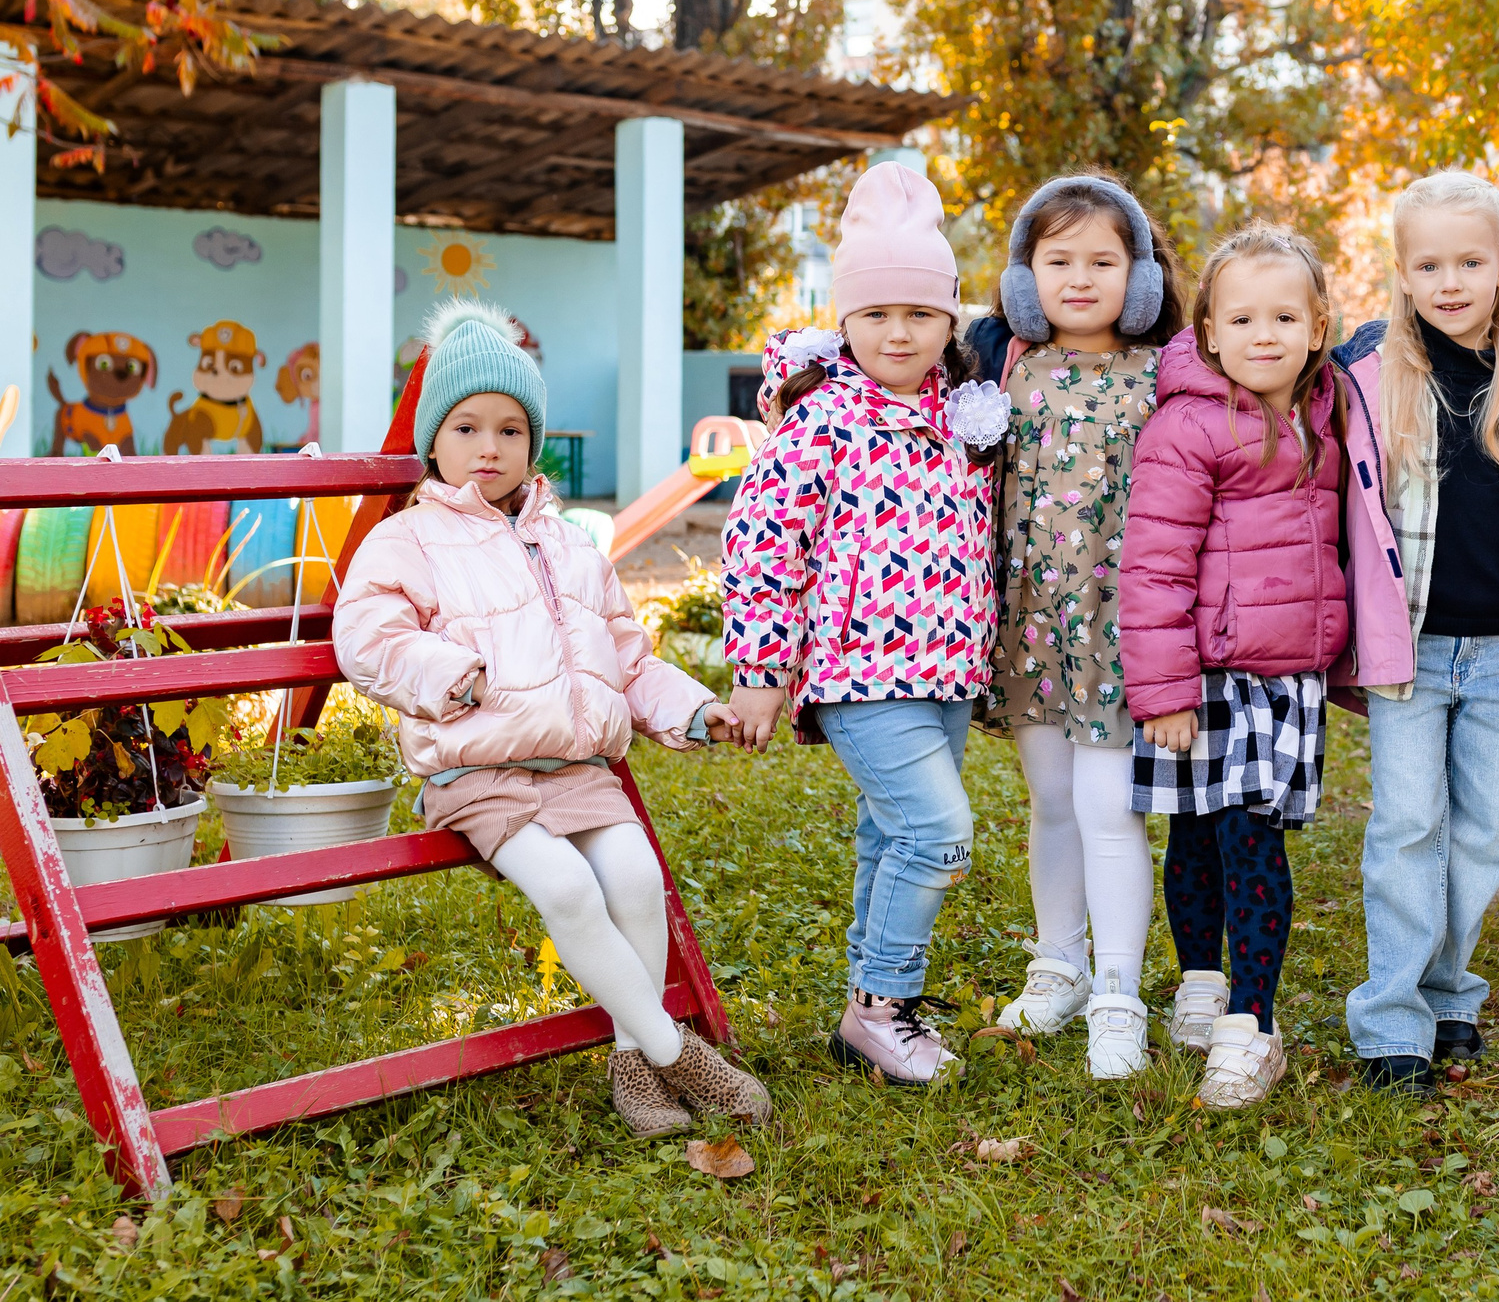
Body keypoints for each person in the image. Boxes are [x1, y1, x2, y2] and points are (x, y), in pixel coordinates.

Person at [335, 299, 770, 1139]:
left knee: (639, 881)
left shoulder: (570, 542)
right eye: (465, 428)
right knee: (569, 887)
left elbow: (628, 658)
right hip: (477, 769)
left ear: (533, 441)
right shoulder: (407, 540)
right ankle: (676, 1052)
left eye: (508, 429)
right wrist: (444, 672)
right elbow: (366, 635)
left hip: (574, 767)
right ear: (433, 441)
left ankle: (634, 1070)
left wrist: (696, 706)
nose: (487, 448)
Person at [722, 161, 1008, 1087]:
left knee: (892, 836)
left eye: (920, 314)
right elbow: (763, 543)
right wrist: (761, 670)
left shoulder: (960, 418)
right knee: (938, 829)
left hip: (947, 670)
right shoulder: (823, 420)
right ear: (843, 319)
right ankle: (887, 1001)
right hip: (859, 672)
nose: (898, 331)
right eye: (877, 313)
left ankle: (862, 1020)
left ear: (948, 321)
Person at [1332, 173, 1499, 1097]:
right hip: (1412, 643)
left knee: (1482, 832)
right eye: (1428, 263)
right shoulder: (1370, 370)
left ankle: (1448, 992)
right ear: (1400, 271)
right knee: (1406, 824)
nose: (1449, 280)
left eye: (1470, 261)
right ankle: (1392, 1018)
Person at [1121, 224, 1350, 1110]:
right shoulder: (1188, 423)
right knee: (1200, 839)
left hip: (1284, 675)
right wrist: (1167, 689)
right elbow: (1152, 563)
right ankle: (1208, 989)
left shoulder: (1329, 409)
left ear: (1318, 324)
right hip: (1206, 678)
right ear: (1208, 331)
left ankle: (1253, 1023)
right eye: (1243, 317)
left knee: (1250, 838)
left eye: (1285, 316)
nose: (1265, 334)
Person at [963, 174, 1186, 1079]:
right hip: (1030, 628)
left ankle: (1118, 992)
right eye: (1059, 261)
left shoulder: (1168, 372)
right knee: (1051, 801)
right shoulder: (1006, 367)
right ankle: (1057, 961)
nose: (1080, 278)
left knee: (1107, 808)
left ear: (1139, 278)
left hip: (1117, 628)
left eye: (1103, 260)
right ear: (1026, 277)